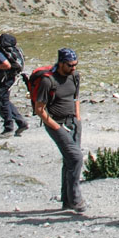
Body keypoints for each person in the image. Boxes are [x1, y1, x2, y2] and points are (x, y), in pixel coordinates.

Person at [34, 48, 86, 213]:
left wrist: (77, 118)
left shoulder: (74, 76)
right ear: (61, 63)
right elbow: (40, 109)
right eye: (70, 65)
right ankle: (76, 199)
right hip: (56, 124)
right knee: (76, 158)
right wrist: (57, 127)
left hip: (73, 122)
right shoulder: (48, 81)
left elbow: (76, 97)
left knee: (69, 160)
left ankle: (67, 200)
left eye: (75, 65)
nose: (73, 68)